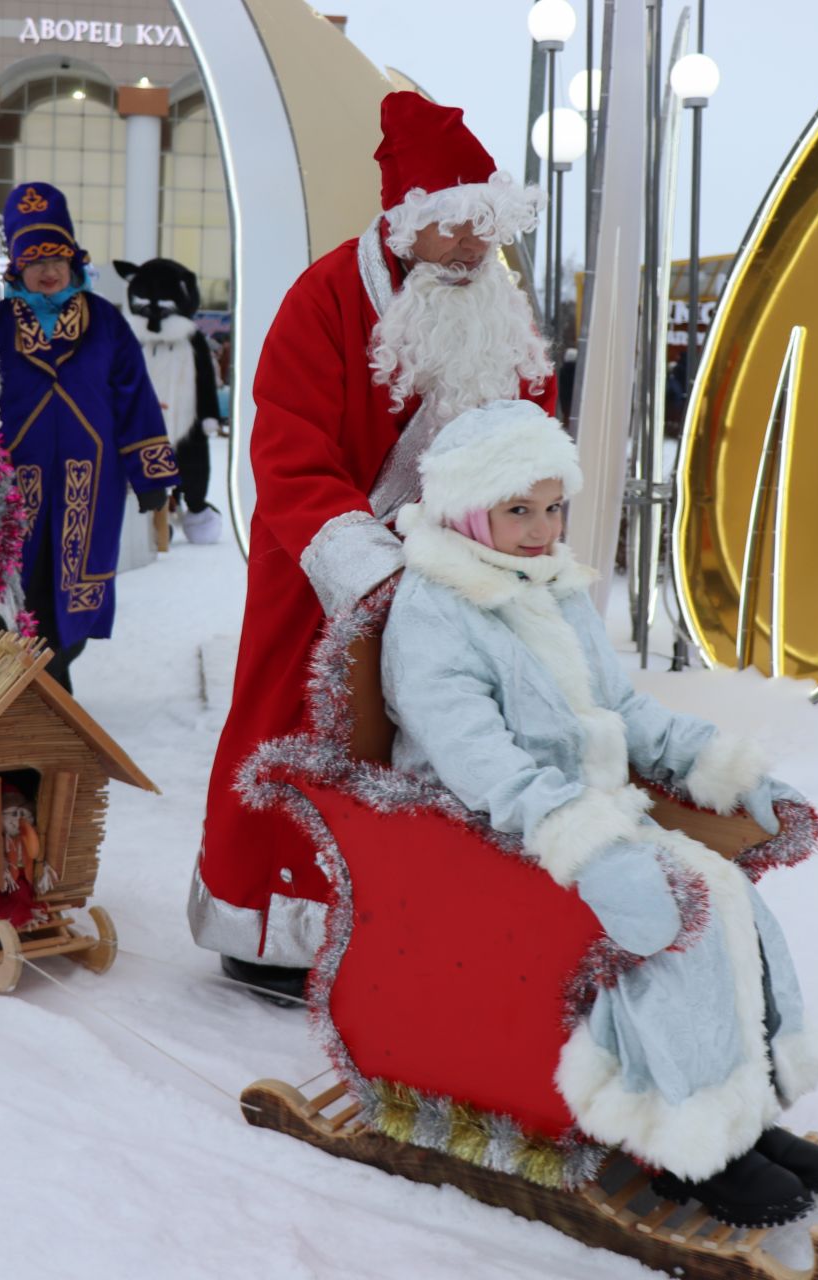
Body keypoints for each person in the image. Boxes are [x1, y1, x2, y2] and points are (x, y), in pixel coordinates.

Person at [380, 400, 818, 1226]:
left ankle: (742, 1111)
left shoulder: (550, 586)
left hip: (590, 816)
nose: (543, 529)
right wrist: (584, 843)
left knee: (736, 904)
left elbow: (624, 709)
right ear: (469, 508)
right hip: (494, 835)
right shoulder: (437, 609)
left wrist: (721, 766)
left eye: (554, 508)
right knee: (671, 931)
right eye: (520, 510)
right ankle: (686, 1148)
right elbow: (481, 760)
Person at [190, 91, 556, 997]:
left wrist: (520, 534)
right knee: (306, 734)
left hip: (465, 574)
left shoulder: (500, 304)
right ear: (405, 223)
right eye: (452, 225)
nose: (472, 245)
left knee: (456, 749)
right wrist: (373, 571)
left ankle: (420, 926)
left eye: (485, 224)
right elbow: (286, 445)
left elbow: (532, 430)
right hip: (329, 571)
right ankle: (277, 937)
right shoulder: (323, 298)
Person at [0, 182, 178, 691]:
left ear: (74, 261)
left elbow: (134, 397)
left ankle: (54, 677)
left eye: (57, 258)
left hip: (89, 484)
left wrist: (151, 476)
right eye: (34, 260)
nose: (48, 270)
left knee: (73, 593)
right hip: (15, 485)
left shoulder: (106, 323)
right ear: (17, 269)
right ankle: (32, 698)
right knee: (17, 594)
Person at [115, 255, 224, 543]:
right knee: (145, 468)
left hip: (187, 419)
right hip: (142, 423)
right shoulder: (129, 337)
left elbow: (205, 380)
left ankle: (196, 508)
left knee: (192, 466)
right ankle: (155, 518)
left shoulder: (191, 339)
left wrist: (209, 413)